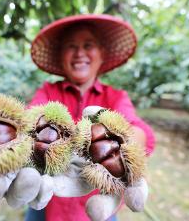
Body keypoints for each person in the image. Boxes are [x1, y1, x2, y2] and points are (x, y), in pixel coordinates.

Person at [25, 14, 155, 221]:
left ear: (102, 54)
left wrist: (126, 150)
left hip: (99, 201)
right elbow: (30, 123)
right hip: (46, 199)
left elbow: (138, 131)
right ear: (61, 55)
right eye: (71, 46)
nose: (80, 53)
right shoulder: (48, 91)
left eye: (88, 45)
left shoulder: (115, 97)